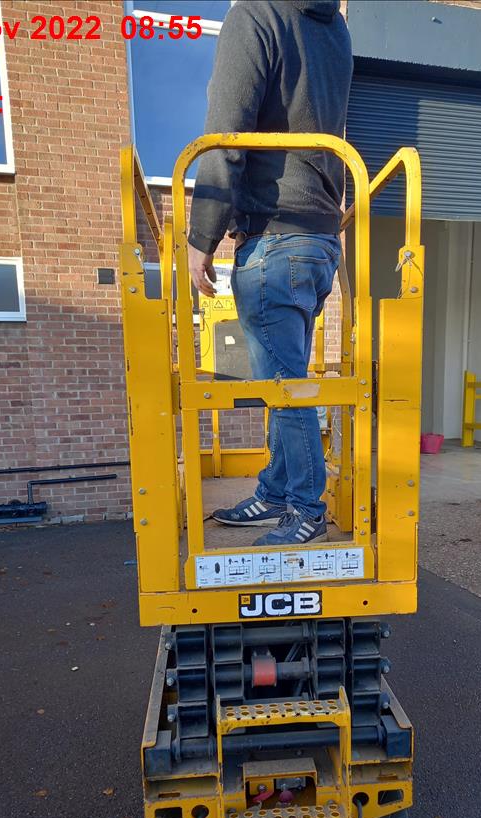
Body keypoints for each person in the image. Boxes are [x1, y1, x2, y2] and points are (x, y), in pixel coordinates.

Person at [187, 0, 352, 547]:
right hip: (318, 238)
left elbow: (224, 135)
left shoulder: (256, 14)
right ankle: (278, 492)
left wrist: (201, 238)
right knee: (288, 378)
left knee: (286, 388)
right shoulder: (333, 28)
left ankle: (305, 507)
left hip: (276, 235)